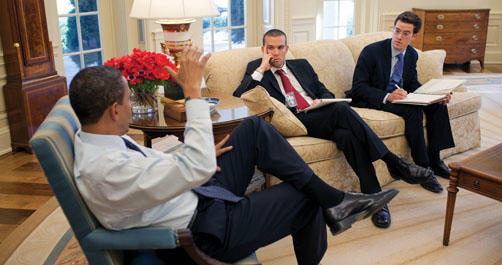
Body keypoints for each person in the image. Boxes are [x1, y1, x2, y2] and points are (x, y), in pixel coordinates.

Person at [69, 47, 398, 265]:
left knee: (253, 131)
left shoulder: (99, 140)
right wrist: (193, 94)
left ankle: (336, 200)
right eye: (128, 101)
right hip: (204, 233)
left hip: (196, 196)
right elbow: (190, 171)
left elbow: (158, 171)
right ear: (114, 110)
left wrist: (189, 153)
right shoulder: (106, 168)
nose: (132, 106)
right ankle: (334, 201)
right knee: (304, 197)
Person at [234, 29, 436, 229]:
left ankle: (376, 201)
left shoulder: (301, 65)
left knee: (348, 136)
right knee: (341, 110)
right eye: (270, 48)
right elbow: (241, 95)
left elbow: (323, 89)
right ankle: (393, 161)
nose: (275, 53)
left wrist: (322, 100)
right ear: (263, 49)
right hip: (294, 120)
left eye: (280, 48)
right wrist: (262, 68)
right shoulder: (257, 69)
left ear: (286, 48)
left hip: (319, 114)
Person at [346, 11, 454, 194]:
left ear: (414, 36)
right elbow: (358, 88)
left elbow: (412, 83)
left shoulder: (411, 54)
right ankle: (423, 168)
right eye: (397, 31)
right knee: (413, 112)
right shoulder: (372, 52)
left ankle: (435, 160)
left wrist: (435, 95)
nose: (399, 37)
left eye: (405, 33)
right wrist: (387, 96)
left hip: (398, 97)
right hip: (373, 99)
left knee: (438, 106)